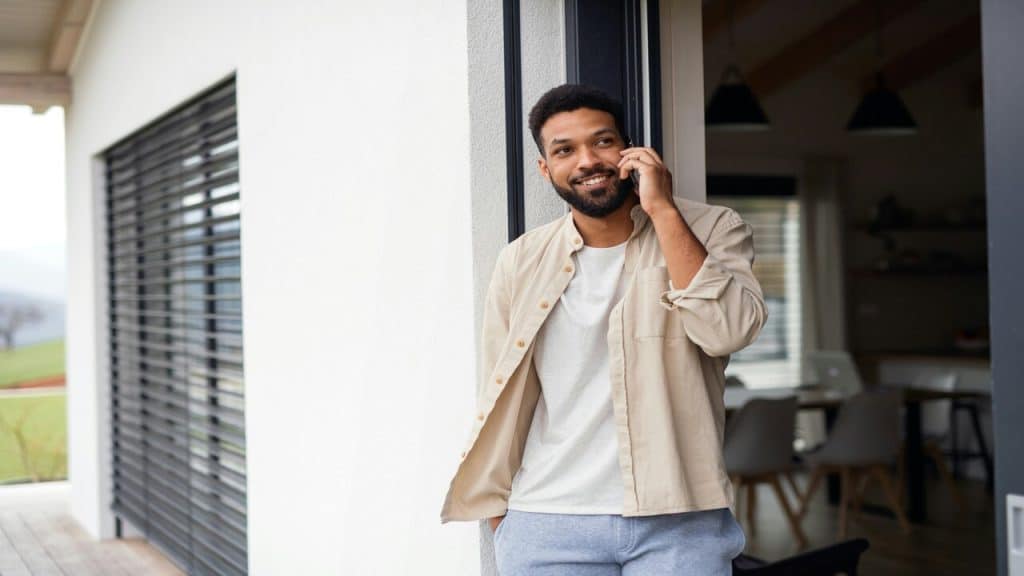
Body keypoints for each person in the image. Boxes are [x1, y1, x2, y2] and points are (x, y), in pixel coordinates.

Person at [441, 84, 767, 575]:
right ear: (545, 169)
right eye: (565, 150)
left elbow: (729, 332)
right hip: (547, 522)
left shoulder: (714, 229)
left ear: (630, 150)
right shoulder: (521, 260)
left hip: (679, 521)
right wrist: (502, 519)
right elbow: (500, 390)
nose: (588, 160)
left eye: (603, 141)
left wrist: (662, 209)